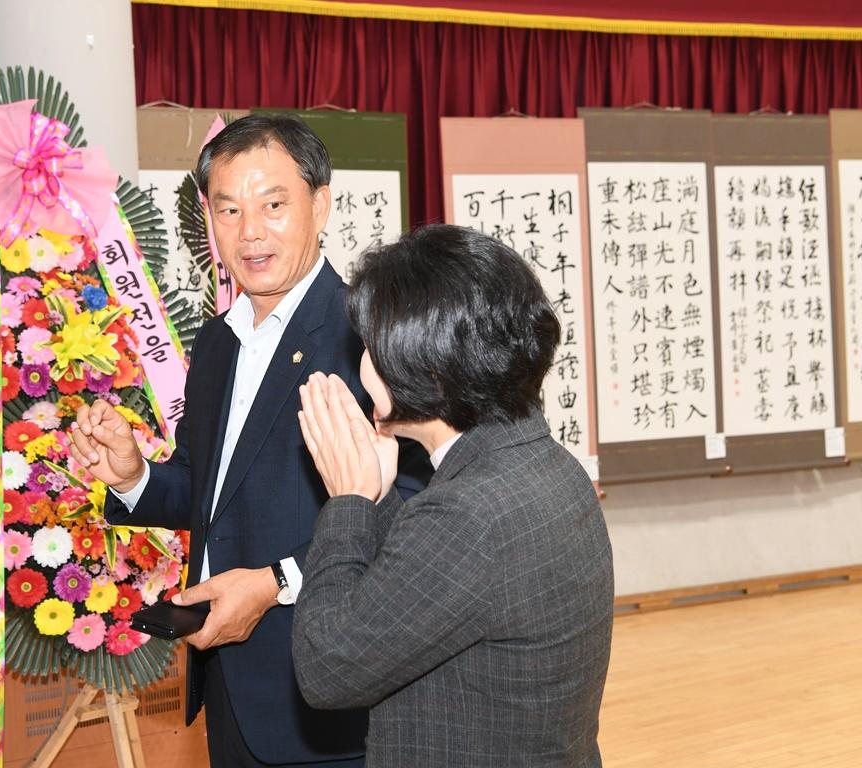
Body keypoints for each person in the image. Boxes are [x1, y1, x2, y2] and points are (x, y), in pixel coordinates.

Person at [69, 114, 429, 767]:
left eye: (273, 205)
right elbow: (209, 494)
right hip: (230, 688)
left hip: (328, 696)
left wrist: (274, 582)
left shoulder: (366, 335)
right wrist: (133, 477)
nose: (250, 232)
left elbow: (406, 505)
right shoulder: (216, 342)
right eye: (229, 210)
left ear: (320, 204)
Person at [292, 224, 614, 767]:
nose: (362, 365)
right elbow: (431, 592)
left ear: (430, 373)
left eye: (372, 347)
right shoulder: (543, 464)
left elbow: (329, 668)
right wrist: (382, 492)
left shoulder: (470, 516)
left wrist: (348, 500)